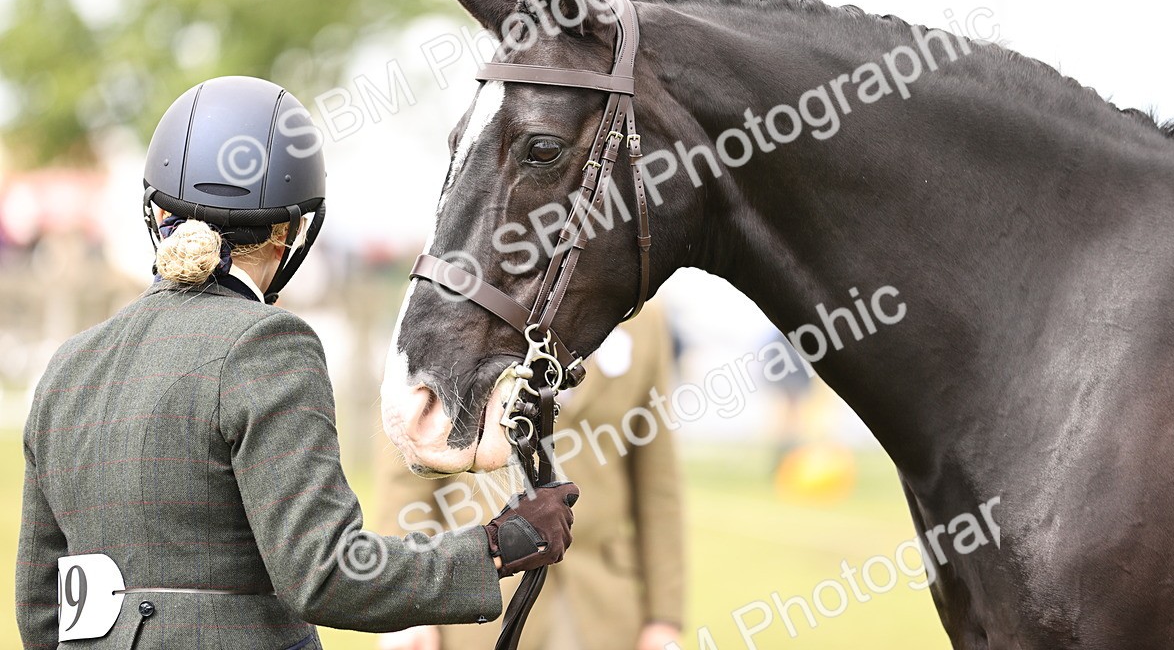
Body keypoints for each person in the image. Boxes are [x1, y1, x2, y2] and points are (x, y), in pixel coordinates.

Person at [15, 76, 578, 650]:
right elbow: (327, 573)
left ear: (156, 211)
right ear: (289, 231)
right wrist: (498, 544)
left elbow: (40, 609)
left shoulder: (69, 366)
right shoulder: (268, 345)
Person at [374, 302, 685, 650]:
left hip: (604, 607)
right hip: (481, 599)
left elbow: (657, 484)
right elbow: (408, 476)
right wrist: (405, 606)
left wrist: (664, 618)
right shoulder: (472, 299)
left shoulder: (647, 318)